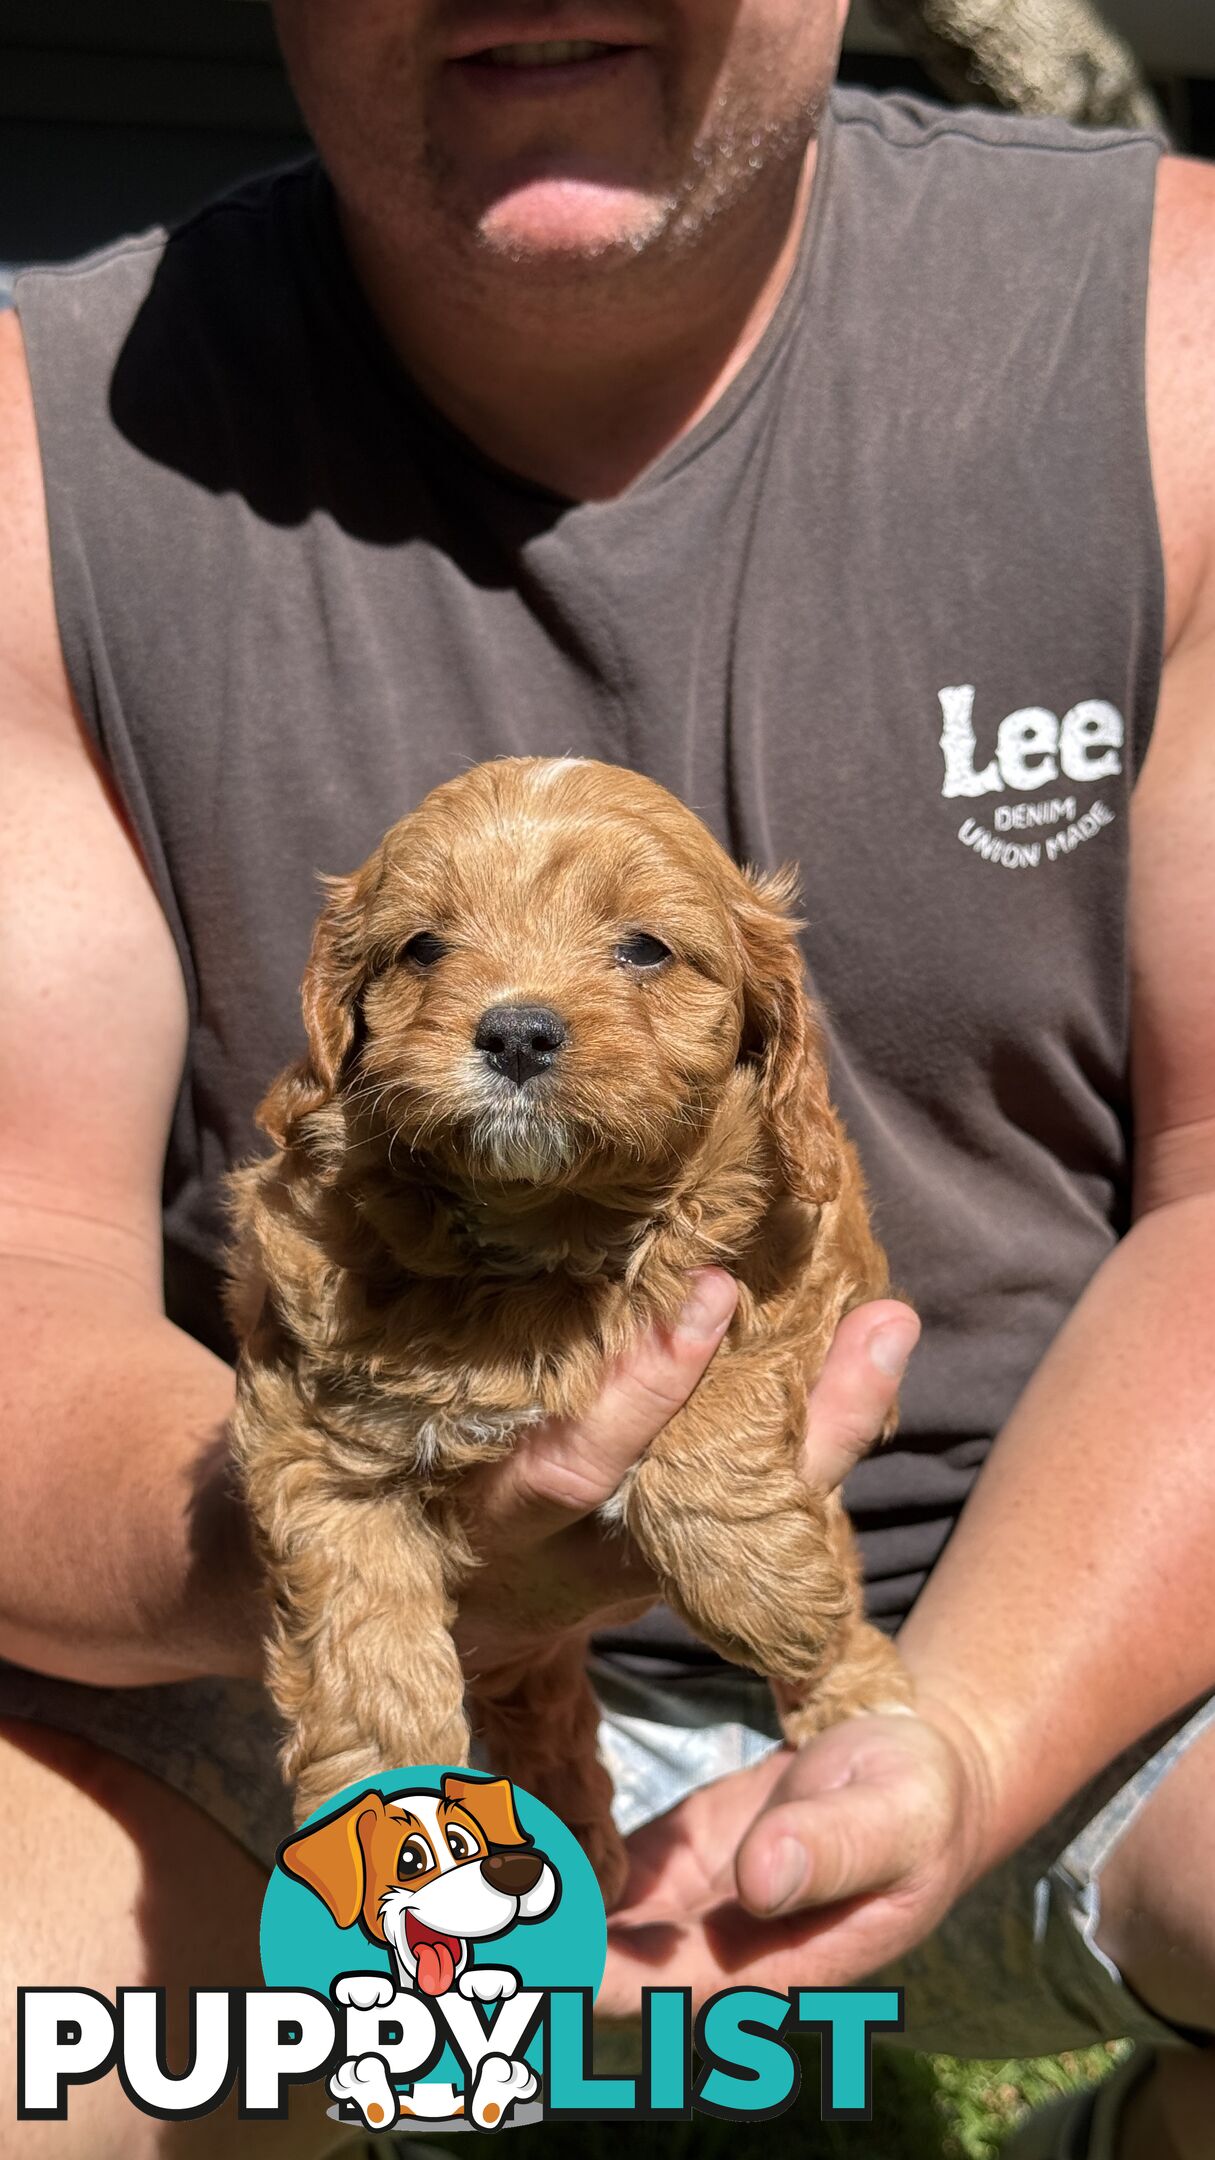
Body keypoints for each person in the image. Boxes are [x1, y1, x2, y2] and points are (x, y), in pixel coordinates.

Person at [1, 4, 1213, 2155]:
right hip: (264, 1664)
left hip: (1049, 1624)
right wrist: (381, 1554)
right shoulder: (36, 449)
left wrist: (947, 1730)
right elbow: (13, 1268)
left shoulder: (1169, 343)